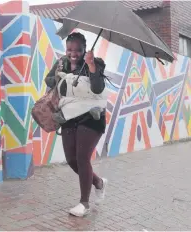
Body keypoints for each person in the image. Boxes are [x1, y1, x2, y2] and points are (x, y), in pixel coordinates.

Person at [45, 32, 108, 217]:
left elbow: (98, 88)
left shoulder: (95, 63)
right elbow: (49, 80)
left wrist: (90, 65)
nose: (73, 53)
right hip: (69, 116)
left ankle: (84, 203)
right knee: (72, 160)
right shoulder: (62, 63)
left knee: (82, 158)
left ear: (84, 49)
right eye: (70, 49)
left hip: (91, 117)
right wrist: (59, 75)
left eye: (78, 50)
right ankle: (99, 183)